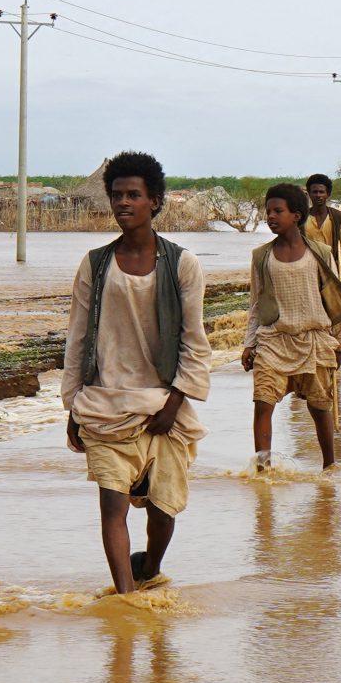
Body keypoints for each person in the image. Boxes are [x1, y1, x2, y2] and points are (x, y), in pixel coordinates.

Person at [61, 151, 211, 597]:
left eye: (133, 195)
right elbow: (77, 339)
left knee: (162, 511)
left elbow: (194, 341)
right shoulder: (94, 264)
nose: (123, 203)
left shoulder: (182, 264)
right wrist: (72, 405)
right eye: (116, 195)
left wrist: (176, 403)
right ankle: (126, 601)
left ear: (156, 202)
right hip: (106, 405)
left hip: (164, 406)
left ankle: (150, 568)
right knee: (112, 505)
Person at [243, 182, 341, 471]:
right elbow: (256, 305)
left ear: (296, 215)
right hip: (273, 341)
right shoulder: (261, 257)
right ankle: (262, 470)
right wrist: (248, 343)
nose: (270, 217)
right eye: (268, 211)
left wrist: (340, 343)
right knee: (262, 404)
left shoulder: (319, 253)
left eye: (278, 211)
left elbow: (333, 300)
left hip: (314, 341)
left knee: (319, 407)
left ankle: (330, 467)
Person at [302, 172, 341, 373]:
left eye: (321, 192)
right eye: (314, 192)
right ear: (309, 194)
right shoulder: (302, 218)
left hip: (333, 280)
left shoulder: (338, 218)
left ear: (328, 194)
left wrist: (337, 270)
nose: (318, 195)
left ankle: (333, 371)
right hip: (307, 277)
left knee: (337, 323)